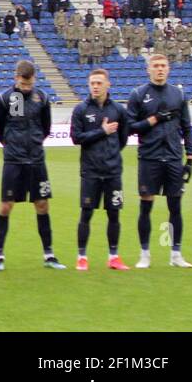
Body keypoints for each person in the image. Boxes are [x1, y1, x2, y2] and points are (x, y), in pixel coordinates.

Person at [0, 59, 64, 270]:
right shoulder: (5, 99)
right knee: (6, 205)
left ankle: (49, 255)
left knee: (42, 204)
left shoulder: (41, 97)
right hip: (14, 160)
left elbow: (46, 127)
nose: (26, 88)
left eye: (29, 84)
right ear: (16, 78)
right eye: (23, 84)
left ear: (34, 79)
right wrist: (12, 145)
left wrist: (33, 144)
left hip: (36, 160)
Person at [125, 54, 192, 268]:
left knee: (175, 206)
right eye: (155, 66)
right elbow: (130, 127)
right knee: (146, 206)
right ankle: (144, 254)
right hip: (149, 158)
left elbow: (186, 128)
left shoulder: (178, 94)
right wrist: (153, 119)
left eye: (163, 66)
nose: (160, 69)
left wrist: (190, 158)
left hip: (174, 158)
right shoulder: (138, 94)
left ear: (169, 69)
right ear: (148, 69)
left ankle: (176, 254)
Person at [70, 68, 131, 271]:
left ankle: (113, 256)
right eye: (92, 83)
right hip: (90, 171)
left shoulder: (119, 110)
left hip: (113, 171)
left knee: (114, 214)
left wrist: (111, 151)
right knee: (86, 213)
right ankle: (82, 257)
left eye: (99, 83)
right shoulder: (81, 109)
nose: (95, 86)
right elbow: (76, 138)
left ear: (108, 84)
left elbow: (122, 139)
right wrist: (102, 131)